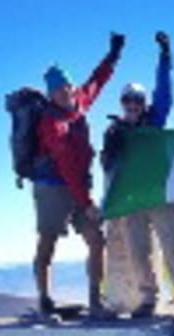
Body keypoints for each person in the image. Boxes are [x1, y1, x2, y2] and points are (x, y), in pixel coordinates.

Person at [32, 32, 124, 319]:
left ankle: (96, 301)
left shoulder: (79, 103)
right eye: (58, 90)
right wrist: (86, 204)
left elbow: (97, 81)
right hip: (53, 188)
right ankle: (45, 300)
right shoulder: (52, 125)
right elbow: (69, 167)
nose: (64, 92)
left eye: (67, 86)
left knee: (96, 239)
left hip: (78, 186)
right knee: (48, 240)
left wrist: (113, 55)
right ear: (50, 94)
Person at [100, 32, 174, 319]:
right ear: (123, 103)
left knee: (172, 245)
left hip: (160, 193)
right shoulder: (115, 132)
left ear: (143, 102)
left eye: (137, 100)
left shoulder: (155, 120)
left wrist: (165, 56)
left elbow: (165, 92)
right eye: (128, 101)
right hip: (132, 200)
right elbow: (108, 169)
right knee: (139, 251)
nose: (133, 105)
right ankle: (149, 297)